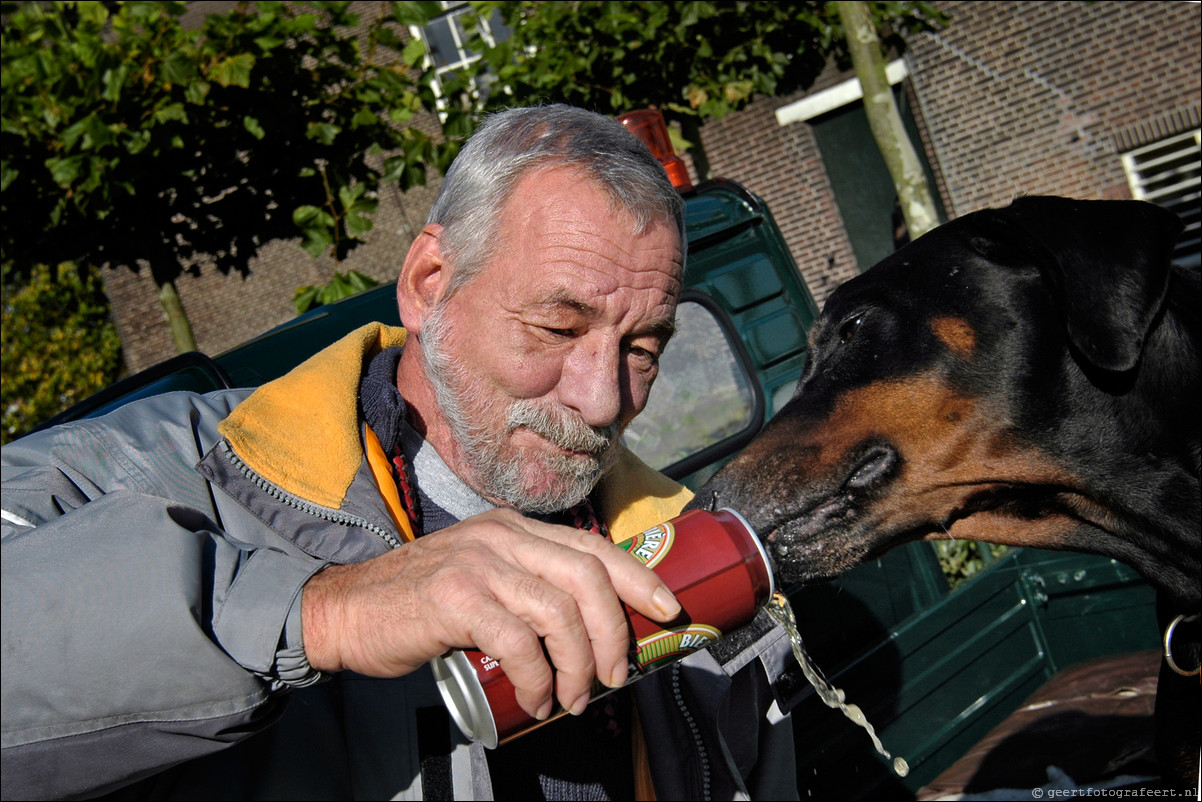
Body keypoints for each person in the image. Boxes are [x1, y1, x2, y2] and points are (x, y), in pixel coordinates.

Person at [2, 105, 799, 800]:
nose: (601, 400)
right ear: (427, 283)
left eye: (643, 348)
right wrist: (324, 612)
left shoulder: (689, 558)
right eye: (557, 328)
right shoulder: (163, 467)